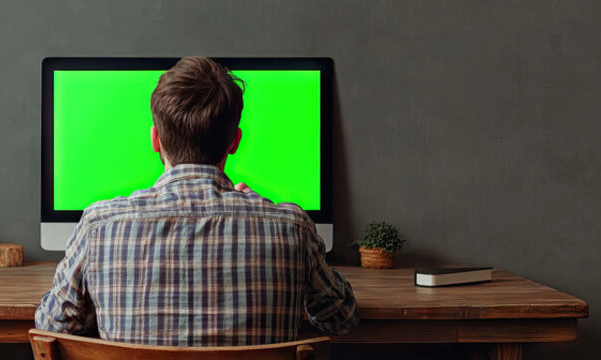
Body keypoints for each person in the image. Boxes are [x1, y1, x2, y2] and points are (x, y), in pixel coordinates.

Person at [35, 56, 358, 346]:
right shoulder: (292, 227)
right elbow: (341, 319)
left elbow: (53, 325)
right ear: (235, 141)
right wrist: (265, 211)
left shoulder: (99, 226)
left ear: (155, 140)